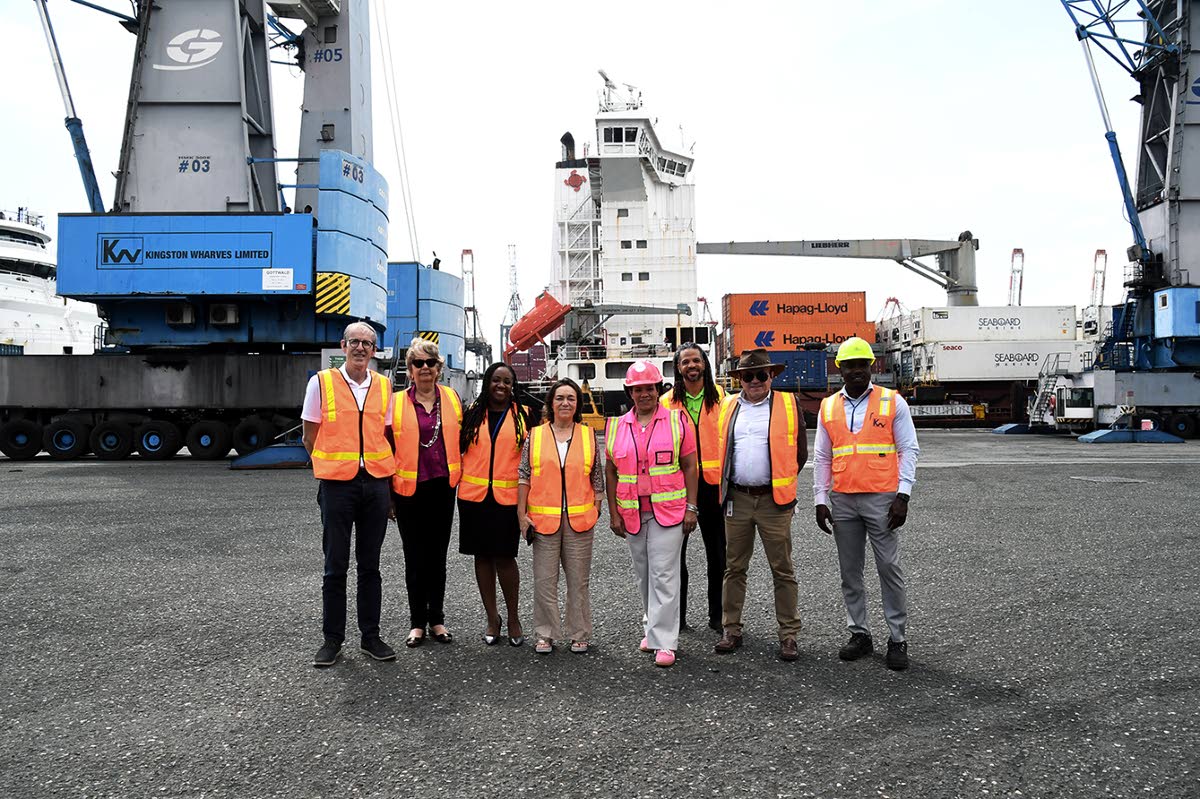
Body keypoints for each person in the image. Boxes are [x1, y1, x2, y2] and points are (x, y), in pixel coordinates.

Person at [814, 337, 920, 671]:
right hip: (843, 500)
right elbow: (822, 456)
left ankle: (897, 638)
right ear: (840, 368)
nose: (857, 370)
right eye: (850, 365)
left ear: (871, 367)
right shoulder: (829, 406)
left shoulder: (892, 402)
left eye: (863, 364)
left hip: (883, 500)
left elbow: (909, 449)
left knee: (889, 569)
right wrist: (820, 498)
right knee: (850, 573)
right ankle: (859, 632)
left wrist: (903, 496)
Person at [301, 321, 396, 667]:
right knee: (334, 566)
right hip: (337, 486)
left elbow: (385, 434)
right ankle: (332, 640)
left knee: (370, 566)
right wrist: (330, 467)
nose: (360, 348)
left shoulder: (385, 386)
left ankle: (371, 636)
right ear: (343, 346)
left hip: (375, 485)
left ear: (374, 350)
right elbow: (309, 435)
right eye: (354, 342)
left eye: (367, 344)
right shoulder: (321, 383)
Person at [714, 348, 808, 662]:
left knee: (782, 570)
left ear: (771, 376)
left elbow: (801, 454)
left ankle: (789, 635)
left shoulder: (788, 404)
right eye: (748, 375)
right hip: (737, 499)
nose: (754, 380)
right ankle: (732, 629)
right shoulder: (728, 406)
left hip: (774, 501)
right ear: (739, 378)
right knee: (734, 567)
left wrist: (782, 484)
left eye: (761, 374)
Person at [607, 360, 699, 667]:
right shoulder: (617, 426)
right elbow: (611, 473)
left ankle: (666, 642)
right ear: (629, 392)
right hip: (633, 513)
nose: (644, 394)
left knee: (664, 574)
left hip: (669, 512)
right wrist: (614, 513)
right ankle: (652, 628)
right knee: (644, 574)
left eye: (649, 388)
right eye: (638, 389)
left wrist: (691, 507)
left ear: (658, 389)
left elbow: (689, 466)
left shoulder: (676, 421)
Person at [517, 379, 604, 655]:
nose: (565, 403)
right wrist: (522, 514)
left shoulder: (588, 435)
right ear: (551, 403)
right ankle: (546, 633)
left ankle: (579, 632)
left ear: (577, 404)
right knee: (544, 580)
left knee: (578, 581)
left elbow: (597, 476)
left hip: (580, 520)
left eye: (570, 398)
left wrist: (597, 507)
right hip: (544, 520)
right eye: (559, 398)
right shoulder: (535, 435)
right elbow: (524, 476)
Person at [391, 337, 463, 648]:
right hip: (408, 490)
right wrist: (387, 496)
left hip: (442, 488)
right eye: (417, 363)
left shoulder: (452, 398)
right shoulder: (394, 403)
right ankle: (416, 622)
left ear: (438, 369)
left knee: (437, 557)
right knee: (414, 557)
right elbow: (385, 448)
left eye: (430, 363)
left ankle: (437, 620)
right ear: (409, 370)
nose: (424, 368)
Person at [458, 362, 529, 647]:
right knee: (482, 557)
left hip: (507, 499)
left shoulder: (524, 417)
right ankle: (492, 618)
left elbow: (531, 461)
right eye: (496, 380)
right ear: (487, 382)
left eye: (507, 382)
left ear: (513, 387)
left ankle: (513, 617)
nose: (501, 386)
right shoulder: (472, 416)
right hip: (473, 498)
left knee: (504, 558)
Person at [661, 344, 726, 632]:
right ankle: (678, 616)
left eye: (696, 360)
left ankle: (718, 615)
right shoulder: (666, 403)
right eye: (685, 361)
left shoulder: (723, 398)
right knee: (675, 557)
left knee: (718, 556)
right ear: (678, 367)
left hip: (714, 489)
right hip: (678, 489)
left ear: (704, 364)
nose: (691, 365)